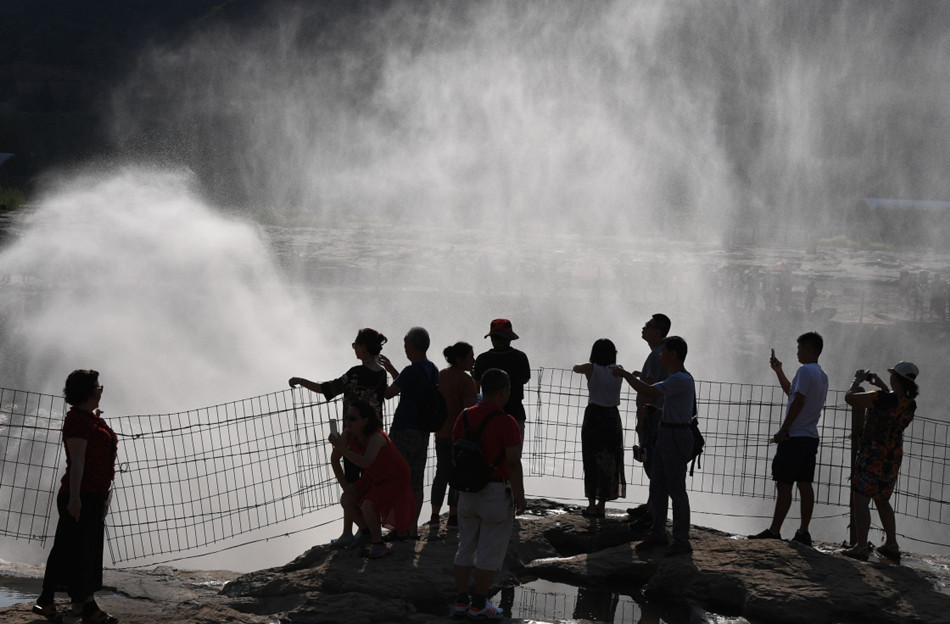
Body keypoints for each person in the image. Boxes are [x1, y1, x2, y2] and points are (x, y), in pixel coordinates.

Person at [288, 327, 389, 545]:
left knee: (351, 481)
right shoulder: (382, 373)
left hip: (353, 434)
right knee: (370, 483)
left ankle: (352, 532)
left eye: (355, 345)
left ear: (363, 347)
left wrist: (300, 380)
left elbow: (327, 389)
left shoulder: (355, 373)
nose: (354, 349)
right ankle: (365, 528)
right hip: (375, 434)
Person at [34, 370, 119, 624]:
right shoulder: (78, 423)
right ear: (88, 391)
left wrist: (96, 419)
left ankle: (52, 601)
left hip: (92, 494)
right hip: (81, 495)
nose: (101, 389)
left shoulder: (88, 419)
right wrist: (74, 499)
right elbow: (77, 463)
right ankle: (86, 606)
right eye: (98, 386)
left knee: (74, 549)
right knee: (78, 551)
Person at [451, 368, 526, 619]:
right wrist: (520, 496)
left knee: (465, 547)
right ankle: (479, 604)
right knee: (488, 551)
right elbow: (513, 462)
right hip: (495, 492)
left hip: (467, 491)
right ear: (503, 391)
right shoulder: (507, 422)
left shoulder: (464, 416)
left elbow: (457, 455)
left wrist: (456, 491)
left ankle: (461, 601)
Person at [614, 336, 696, 555]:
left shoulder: (680, 379)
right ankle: (658, 533)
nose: (660, 356)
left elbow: (648, 390)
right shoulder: (677, 378)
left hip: (675, 435)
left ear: (673, 354)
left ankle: (681, 540)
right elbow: (677, 407)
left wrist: (624, 374)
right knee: (658, 486)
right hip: (667, 432)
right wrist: (658, 411)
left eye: (664, 351)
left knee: (676, 489)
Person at [749, 332, 828, 546]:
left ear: (809, 349)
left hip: (794, 437)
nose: (797, 352)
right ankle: (803, 532)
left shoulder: (804, 370)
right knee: (805, 484)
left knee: (784, 484)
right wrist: (779, 371)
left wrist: (784, 430)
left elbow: (798, 401)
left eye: (799, 348)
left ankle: (774, 531)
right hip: (810, 437)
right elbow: (793, 394)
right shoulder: (821, 374)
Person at [841, 361, 919, 561]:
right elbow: (892, 400)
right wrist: (882, 385)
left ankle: (861, 546)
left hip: (872, 454)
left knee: (861, 499)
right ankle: (891, 544)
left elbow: (850, 398)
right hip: (891, 458)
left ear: (896, 379)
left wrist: (857, 380)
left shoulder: (880, 398)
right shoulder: (910, 404)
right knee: (882, 500)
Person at [328, 399, 415, 560]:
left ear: (365, 420)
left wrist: (340, 447)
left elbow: (365, 462)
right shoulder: (349, 433)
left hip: (394, 478)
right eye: (347, 417)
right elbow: (334, 460)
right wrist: (346, 487)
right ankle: (366, 532)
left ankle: (378, 543)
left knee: (368, 505)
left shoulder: (376, 437)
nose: (348, 421)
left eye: (352, 418)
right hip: (373, 475)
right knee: (347, 499)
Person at [379, 326, 439, 537]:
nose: (404, 349)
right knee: (416, 481)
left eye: (405, 345)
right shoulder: (432, 369)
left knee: (398, 478)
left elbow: (389, 393)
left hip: (404, 429)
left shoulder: (410, 371)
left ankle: (400, 527)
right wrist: (393, 370)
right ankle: (412, 528)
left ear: (413, 345)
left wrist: (380, 380)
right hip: (423, 431)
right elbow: (409, 386)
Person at [626, 313, 671, 528]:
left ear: (657, 332)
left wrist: (641, 418)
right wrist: (641, 375)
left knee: (652, 463)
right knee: (655, 464)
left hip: (652, 418)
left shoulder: (655, 355)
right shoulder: (661, 353)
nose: (643, 328)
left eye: (648, 325)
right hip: (660, 416)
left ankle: (654, 512)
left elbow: (650, 389)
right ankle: (651, 505)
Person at [572, 338, 624, 518]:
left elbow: (575, 368)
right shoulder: (619, 370)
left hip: (594, 416)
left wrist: (585, 363)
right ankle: (602, 505)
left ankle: (591, 506)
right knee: (609, 460)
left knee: (591, 459)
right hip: (612, 417)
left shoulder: (591, 368)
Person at [430, 341, 477, 530]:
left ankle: (434, 516)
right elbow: (470, 410)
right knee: (457, 473)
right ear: (460, 359)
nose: (473, 360)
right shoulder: (466, 381)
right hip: (458, 435)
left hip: (440, 432)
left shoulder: (440, 375)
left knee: (441, 473)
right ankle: (452, 516)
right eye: (471, 357)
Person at [473, 319, 531, 441]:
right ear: (509, 338)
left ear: (492, 338)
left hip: (487, 416)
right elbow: (525, 379)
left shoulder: (482, 359)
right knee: (513, 450)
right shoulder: (520, 357)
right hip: (515, 413)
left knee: (488, 450)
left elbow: (476, 386)